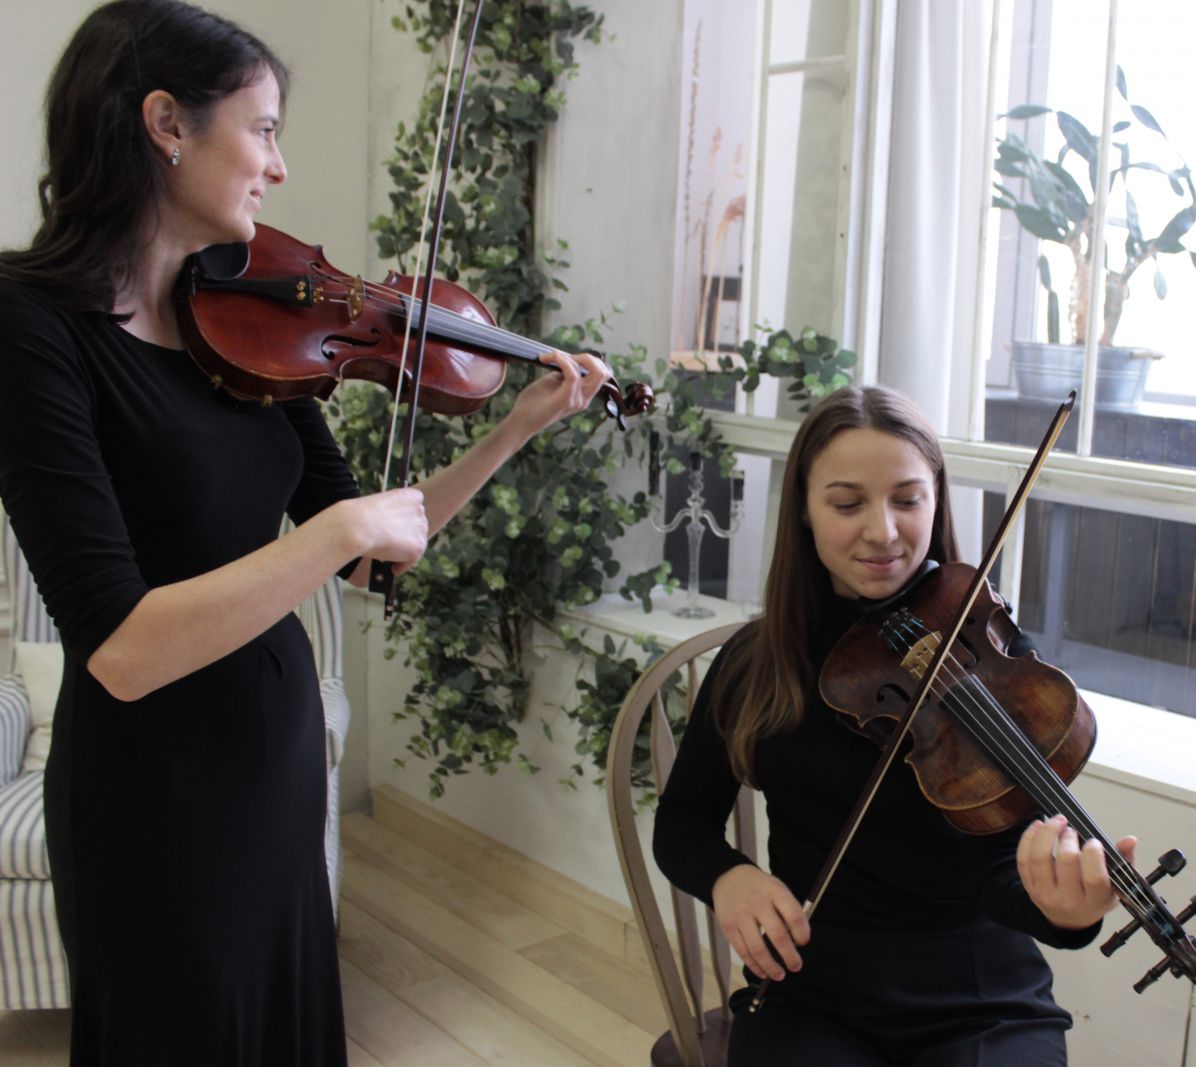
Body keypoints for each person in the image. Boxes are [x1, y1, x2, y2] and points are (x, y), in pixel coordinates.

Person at [0, 2, 612, 1063]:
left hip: (274, 765)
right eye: (264, 129)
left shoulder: (242, 317)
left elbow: (375, 550)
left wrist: (514, 428)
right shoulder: (30, 325)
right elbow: (123, 651)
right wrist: (331, 535)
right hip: (151, 789)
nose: (279, 166)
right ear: (166, 123)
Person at [652, 385, 1138, 1067]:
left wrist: (1062, 910)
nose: (882, 531)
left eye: (907, 500)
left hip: (979, 995)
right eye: (847, 503)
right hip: (812, 989)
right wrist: (730, 877)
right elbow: (681, 821)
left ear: (936, 501)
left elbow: (996, 870)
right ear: (804, 510)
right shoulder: (757, 664)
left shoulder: (983, 647)